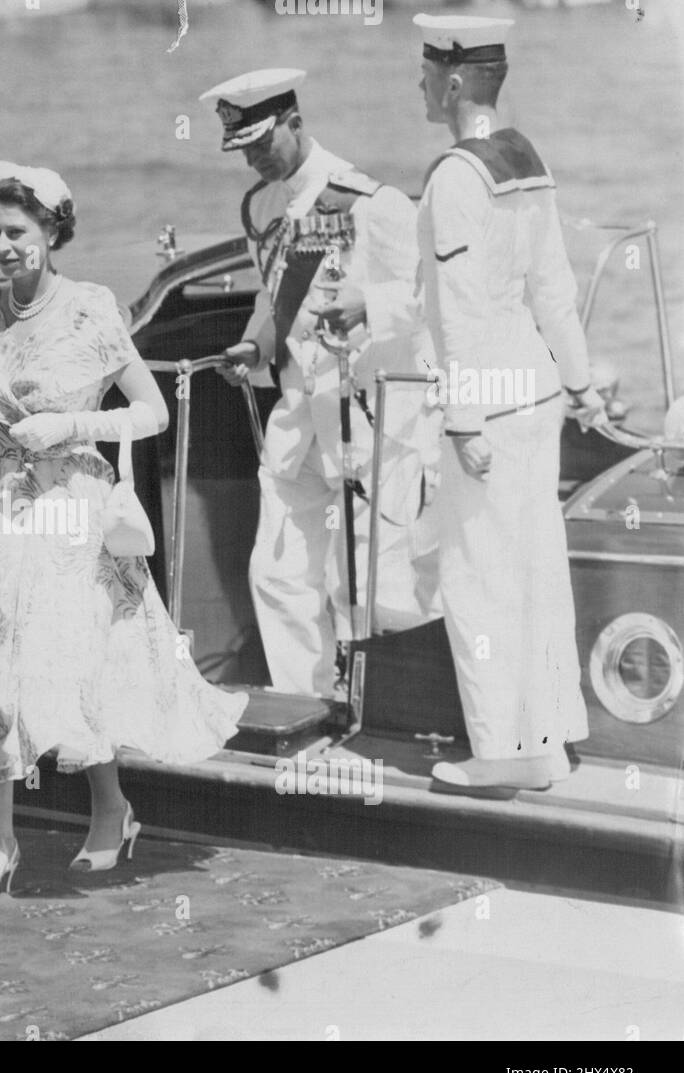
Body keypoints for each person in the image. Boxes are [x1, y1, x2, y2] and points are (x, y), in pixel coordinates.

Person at [0, 161, 250, 906]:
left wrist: (73, 423)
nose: (4, 246)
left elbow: (151, 412)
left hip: (76, 506)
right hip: (9, 506)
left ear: (53, 230)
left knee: (80, 664)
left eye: (17, 232)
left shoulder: (91, 307)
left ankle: (112, 809)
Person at [412, 14, 607, 796]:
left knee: (479, 576)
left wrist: (459, 418)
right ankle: (547, 736)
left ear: (456, 81)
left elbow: (456, 308)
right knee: (535, 569)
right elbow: (554, 288)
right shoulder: (527, 159)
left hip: (485, 405)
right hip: (536, 392)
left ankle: (501, 752)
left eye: (427, 72)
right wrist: (583, 380)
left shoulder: (456, 176)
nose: (419, 83)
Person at [204, 69, 439, 699]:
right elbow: (273, 296)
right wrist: (255, 344)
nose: (253, 159)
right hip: (299, 421)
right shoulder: (261, 206)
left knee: (371, 584)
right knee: (278, 573)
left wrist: (370, 304)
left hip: (368, 422)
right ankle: (302, 707)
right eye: (242, 149)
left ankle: (398, 706)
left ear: (295, 123)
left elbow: (433, 297)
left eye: (261, 143)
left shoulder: (369, 201)